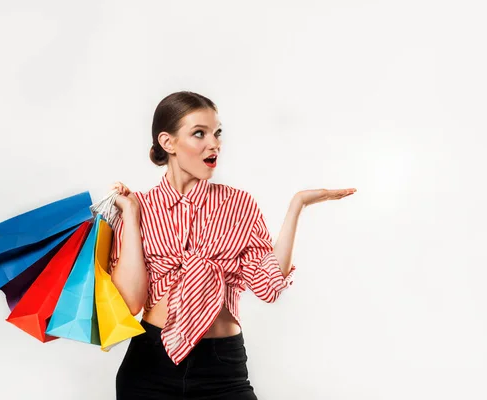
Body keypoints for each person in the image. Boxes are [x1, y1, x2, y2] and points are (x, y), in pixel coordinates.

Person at [110, 91, 356, 399]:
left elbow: (269, 288)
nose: (214, 144)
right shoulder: (138, 207)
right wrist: (130, 216)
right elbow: (130, 303)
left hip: (221, 369)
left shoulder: (238, 204)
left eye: (217, 133)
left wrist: (297, 206)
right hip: (149, 366)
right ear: (167, 142)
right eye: (199, 133)